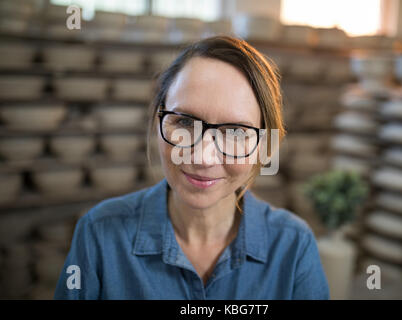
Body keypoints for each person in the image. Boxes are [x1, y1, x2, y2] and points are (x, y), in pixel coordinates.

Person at [54, 36, 329, 300]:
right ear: (158, 119)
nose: (203, 158)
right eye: (184, 122)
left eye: (234, 132)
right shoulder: (100, 235)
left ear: (263, 146)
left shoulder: (293, 247)